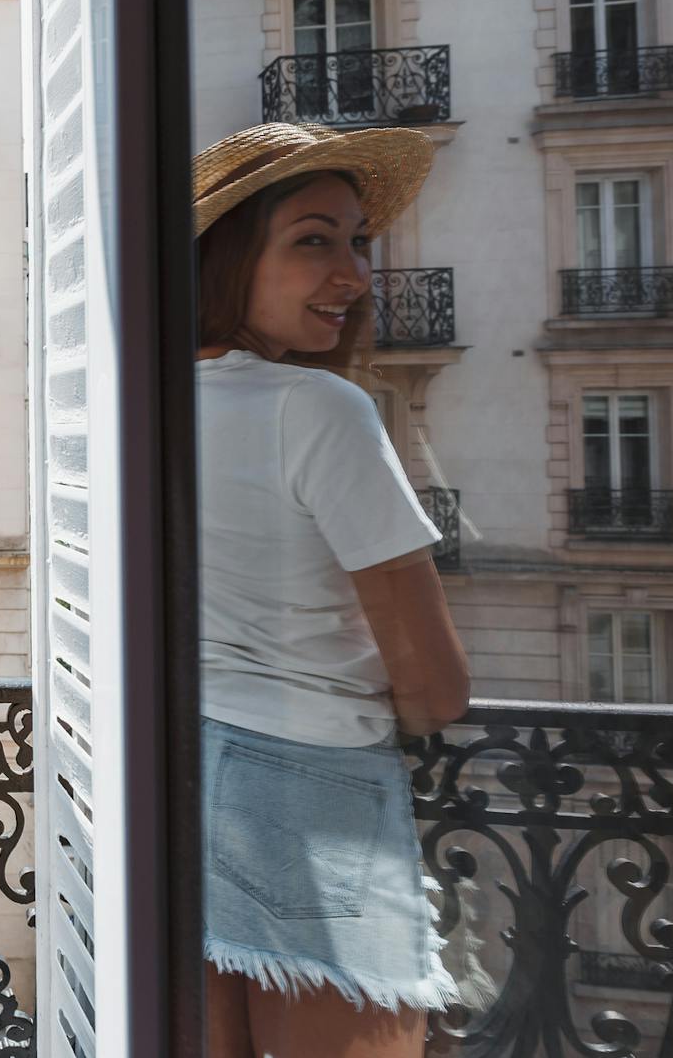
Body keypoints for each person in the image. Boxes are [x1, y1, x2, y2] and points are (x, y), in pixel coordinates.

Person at [191, 122, 475, 1057]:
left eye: (358, 241)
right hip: (313, 795)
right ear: (230, 256)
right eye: (314, 240)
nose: (352, 274)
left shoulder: (141, 403)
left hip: (172, 781)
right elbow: (434, 688)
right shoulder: (319, 410)